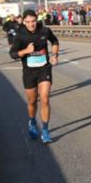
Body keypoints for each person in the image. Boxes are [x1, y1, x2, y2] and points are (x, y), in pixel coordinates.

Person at [12, 9, 60, 144]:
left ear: (37, 19)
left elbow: (55, 41)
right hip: (29, 72)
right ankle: (32, 121)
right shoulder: (20, 34)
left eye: (33, 21)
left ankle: (45, 130)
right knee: (32, 102)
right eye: (27, 22)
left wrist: (55, 55)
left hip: (44, 69)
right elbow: (13, 53)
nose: (31, 24)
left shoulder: (44, 30)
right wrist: (26, 51)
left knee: (44, 99)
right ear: (23, 21)